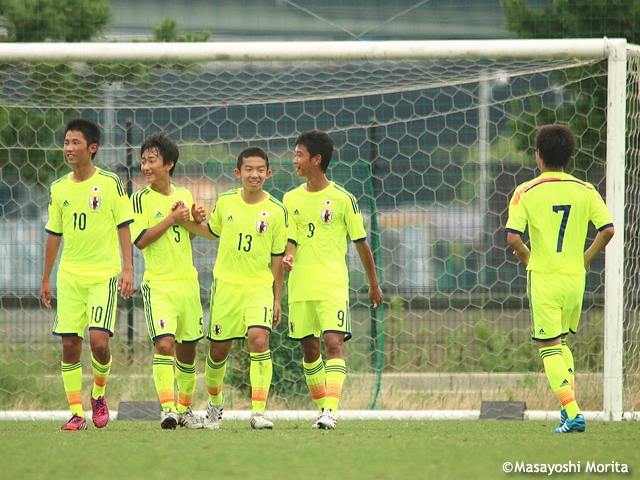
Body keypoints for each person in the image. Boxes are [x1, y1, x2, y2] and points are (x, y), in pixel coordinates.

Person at [505, 124, 614, 434]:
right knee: (562, 343)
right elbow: (607, 230)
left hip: (544, 277)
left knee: (548, 346)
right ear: (569, 155)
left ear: (538, 156)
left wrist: (528, 256)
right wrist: (587, 257)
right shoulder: (586, 190)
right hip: (574, 278)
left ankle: (573, 411)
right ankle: (568, 413)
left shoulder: (525, 191)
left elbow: (512, 239)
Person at [176, 146, 287, 430]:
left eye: (260, 169)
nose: (254, 174)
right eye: (249, 169)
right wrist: (187, 221)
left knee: (259, 339)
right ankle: (215, 405)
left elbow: (277, 259)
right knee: (217, 353)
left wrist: (277, 299)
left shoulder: (276, 210)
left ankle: (259, 411)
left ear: (268, 173)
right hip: (226, 288)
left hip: (259, 287)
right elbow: (210, 232)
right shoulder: (225, 202)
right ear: (238, 173)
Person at [282, 130, 383, 430]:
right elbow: (291, 239)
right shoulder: (290, 199)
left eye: (299, 154)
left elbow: (361, 242)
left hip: (332, 284)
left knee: (333, 342)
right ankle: (322, 407)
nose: (294, 160)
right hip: (300, 286)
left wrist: (373, 283)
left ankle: (330, 411)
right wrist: (288, 256)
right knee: (309, 349)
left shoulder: (343, 199)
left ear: (316, 160)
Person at [40, 118, 134, 431]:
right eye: (66, 142)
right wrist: (45, 279)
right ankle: (76, 414)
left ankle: (99, 394)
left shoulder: (110, 184)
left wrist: (128, 268)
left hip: (103, 276)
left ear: (92, 148)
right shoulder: (59, 188)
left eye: (75, 142)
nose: (68, 148)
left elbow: (124, 225)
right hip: (69, 277)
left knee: (99, 343)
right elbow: (54, 234)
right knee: (69, 345)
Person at [130, 132, 206, 430]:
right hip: (159, 284)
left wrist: (196, 219)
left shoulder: (184, 195)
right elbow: (141, 240)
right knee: (165, 345)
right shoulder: (138, 200)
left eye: (152, 161)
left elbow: (187, 233)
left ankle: (185, 410)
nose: (146, 167)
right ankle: (167, 409)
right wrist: (171, 219)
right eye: (143, 161)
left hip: (187, 283)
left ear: (169, 164)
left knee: (188, 349)